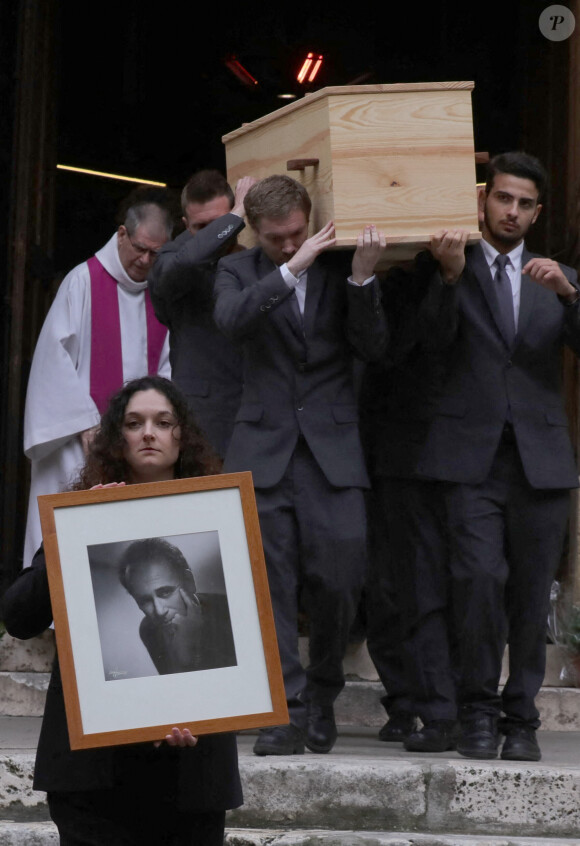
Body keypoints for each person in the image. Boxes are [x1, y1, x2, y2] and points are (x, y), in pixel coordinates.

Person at [3, 376, 241, 845]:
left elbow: (241, 656)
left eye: (163, 421)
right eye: (134, 423)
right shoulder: (78, 519)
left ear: (181, 435)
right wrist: (67, 537)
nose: (148, 432)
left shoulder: (223, 518)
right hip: (95, 778)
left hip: (191, 776)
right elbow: (19, 617)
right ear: (118, 438)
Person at [214, 174, 388, 755]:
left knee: (340, 582)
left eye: (295, 236)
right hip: (264, 453)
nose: (289, 246)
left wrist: (362, 277)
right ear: (256, 234)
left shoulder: (342, 270)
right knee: (271, 587)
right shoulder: (238, 270)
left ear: (309, 217)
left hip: (333, 455)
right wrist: (290, 271)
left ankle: (322, 695)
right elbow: (232, 321)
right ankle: (284, 714)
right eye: (275, 240)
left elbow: (373, 348)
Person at [415, 151, 580, 761]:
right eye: (503, 199)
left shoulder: (555, 276)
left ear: (539, 212)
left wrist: (569, 295)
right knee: (478, 582)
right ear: (484, 199)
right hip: (470, 459)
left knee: (531, 593)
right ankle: (477, 712)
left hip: (539, 460)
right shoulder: (449, 262)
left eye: (525, 203)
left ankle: (522, 720)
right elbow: (427, 348)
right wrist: (451, 276)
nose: (512, 212)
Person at [23, 188, 175, 569]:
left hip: (141, 439)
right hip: (80, 437)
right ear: (121, 234)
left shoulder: (164, 293)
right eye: (140, 248)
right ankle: (55, 614)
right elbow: (52, 361)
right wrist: (85, 423)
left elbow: (172, 365)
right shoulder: (82, 282)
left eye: (156, 253)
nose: (145, 260)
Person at [359, 256, 452, 751]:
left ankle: (444, 697)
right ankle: (404, 699)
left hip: (448, 444)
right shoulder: (364, 271)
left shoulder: (452, 269)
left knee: (439, 581)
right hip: (381, 444)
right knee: (387, 582)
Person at [148, 170, 256, 457]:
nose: (215, 235)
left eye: (218, 224)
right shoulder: (170, 261)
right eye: (201, 227)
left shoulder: (254, 257)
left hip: (262, 419)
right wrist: (234, 218)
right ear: (185, 225)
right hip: (207, 421)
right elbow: (190, 259)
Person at [119, 536, 237, 675]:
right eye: (145, 601)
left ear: (189, 581)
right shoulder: (148, 630)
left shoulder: (230, 612)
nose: (159, 611)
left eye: (165, 592)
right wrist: (183, 658)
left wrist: (190, 652)